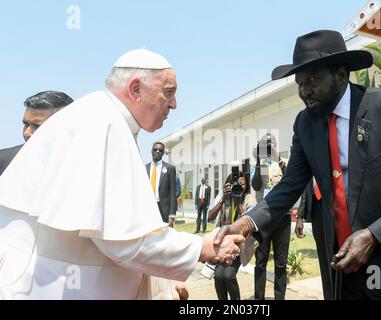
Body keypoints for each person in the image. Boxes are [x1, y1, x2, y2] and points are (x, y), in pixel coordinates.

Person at [215, 30, 381, 300]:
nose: (304, 91)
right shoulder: (305, 124)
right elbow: (289, 185)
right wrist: (245, 223)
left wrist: (375, 234)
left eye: (312, 80)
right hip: (345, 272)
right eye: (299, 84)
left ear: (341, 74)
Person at [0, 49, 244, 299]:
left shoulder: (104, 116)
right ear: (136, 89)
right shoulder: (103, 124)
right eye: (168, 92)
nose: (173, 104)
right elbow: (125, 243)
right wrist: (202, 247)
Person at [251, 133, 290, 300]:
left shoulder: (285, 162)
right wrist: (259, 162)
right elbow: (255, 185)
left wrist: (279, 159)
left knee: (281, 263)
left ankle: (279, 297)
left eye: (270, 144)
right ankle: (259, 299)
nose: (268, 148)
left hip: (282, 218)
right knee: (260, 261)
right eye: (265, 145)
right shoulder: (257, 164)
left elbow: (291, 180)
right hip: (263, 218)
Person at [207, 171, 256, 300]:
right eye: (235, 184)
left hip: (240, 246)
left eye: (242, 184)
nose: (239, 186)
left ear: (246, 185)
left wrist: (238, 202)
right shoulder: (223, 196)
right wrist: (223, 198)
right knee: (218, 276)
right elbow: (210, 217)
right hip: (223, 245)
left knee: (228, 275)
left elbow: (250, 224)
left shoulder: (249, 198)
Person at [0, 91, 73, 175]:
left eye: (37, 126)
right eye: (26, 124)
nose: (27, 133)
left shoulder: (84, 163)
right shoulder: (4, 162)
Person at [146, 142, 177, 227]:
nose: (158, 151)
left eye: (160, 150)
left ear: (163, 153)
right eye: (155, 149)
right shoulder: (144, 168)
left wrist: (172, 214)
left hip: (163, 209)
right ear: (151, 151)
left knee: (164, 236)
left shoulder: (170, 168)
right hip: (147, 207)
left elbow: (173, 192)